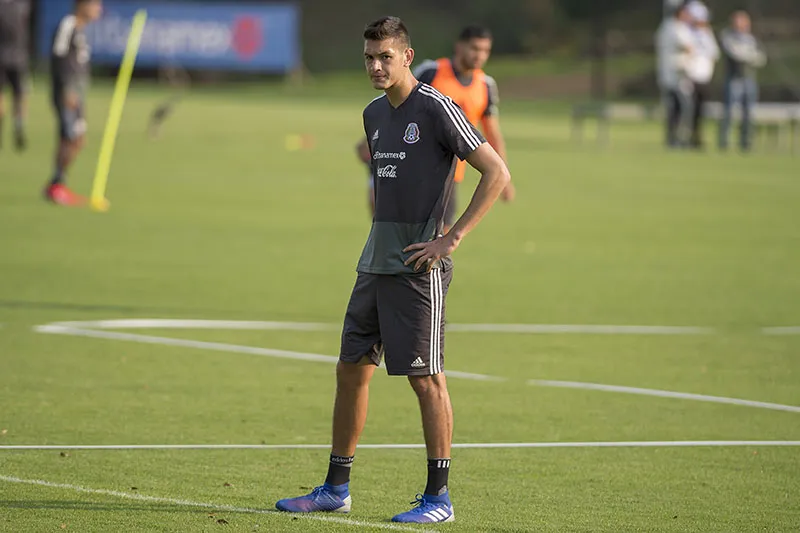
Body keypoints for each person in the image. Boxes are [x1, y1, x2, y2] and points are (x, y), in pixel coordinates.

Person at [276, 16, 511, 524]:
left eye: (386, 56)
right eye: (369, 58)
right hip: (374, 262)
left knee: (426, 380)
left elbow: (496, 172)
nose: (376, 66)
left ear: (407, 56)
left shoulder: (438, 108)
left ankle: (439, 499)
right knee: (350, 370)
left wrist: (452, 238)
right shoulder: (372, 114)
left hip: (417, 268)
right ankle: (336, 488)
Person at [355, 24, 514, 229]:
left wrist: (504, 177)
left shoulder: (485, 85)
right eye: (475, 48)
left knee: (436, 242)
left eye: (485, 51)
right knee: (386, 225)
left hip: (448, 171)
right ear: (459, 47)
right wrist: (368, 141)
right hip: (404, 161)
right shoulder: (432, 72)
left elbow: (492, 132)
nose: (480, 55)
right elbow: (395, 99)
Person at [44, 0, 103, 205]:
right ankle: (56, 185)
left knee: (77, 139)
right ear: (82, 5)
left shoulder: (80, 31)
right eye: (95, 4)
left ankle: (57, 183)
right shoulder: (67, 25)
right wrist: (66, 89)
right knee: (69, 137)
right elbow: (59, 57)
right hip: (66, 93)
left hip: (77, 95)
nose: (99, 9)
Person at [719, 10, 766, 152]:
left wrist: (750, 56)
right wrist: (749, 55)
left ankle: (745, 142)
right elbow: (736, 54)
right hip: (733, 78)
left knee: (749, 112)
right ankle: (724, 142)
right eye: (739, 21)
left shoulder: (751, 39)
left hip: (748, 79)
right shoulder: (727, 35)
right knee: (729, 111)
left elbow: (761, 58)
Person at [656, 2, 694, 148]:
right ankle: (676, 139)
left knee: (679, 109)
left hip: (676, 76)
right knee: (680, 109)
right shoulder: (672, 28)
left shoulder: (669, 27)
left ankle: (676, 138)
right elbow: (688, 47)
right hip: (674, 77)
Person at [685, 1, 719, 149]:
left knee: (699, 111)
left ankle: (696, 137)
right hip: (690, 76)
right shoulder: (685, 32)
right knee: (687, 109)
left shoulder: (707, 34)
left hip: (704, 77)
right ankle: (685, 137)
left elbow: (714, 53)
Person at [0, 0, 31, 151]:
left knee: (6, 96)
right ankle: (19, 126)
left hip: (6, 56)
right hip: (18, 58)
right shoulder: (23, 5)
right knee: (20, 95)